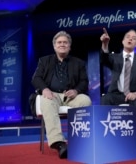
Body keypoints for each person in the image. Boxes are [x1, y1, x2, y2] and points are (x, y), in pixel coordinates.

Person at [31, 30, 92, 159]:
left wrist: (76, 91)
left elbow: (84, 81)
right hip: (51, 94)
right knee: (46, 101)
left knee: (85, 100)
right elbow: (36, 78)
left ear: (69, 46)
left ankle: (80, 140)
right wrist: (45, 89)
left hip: (71, 96)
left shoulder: (79, 63)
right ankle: (59, 143)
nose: (62, 44)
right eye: (59, 42)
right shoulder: (44, 61)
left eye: (65, 42)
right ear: (54, 46)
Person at [100, 28, 136, 150]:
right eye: (128, 37)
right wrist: (105, 44)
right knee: (105, 100)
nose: (130, 39)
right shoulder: (115, 58)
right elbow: (104, 59)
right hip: (117, 94)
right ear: (123, 41)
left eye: (134, 38)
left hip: (134, 94)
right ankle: (107, 136)